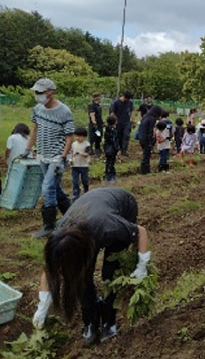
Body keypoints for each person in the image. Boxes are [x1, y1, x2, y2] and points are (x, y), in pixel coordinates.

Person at [31, 188, 151, 345]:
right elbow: (49, 270)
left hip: (121, 205)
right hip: (89, 212)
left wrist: (142, 266)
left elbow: (141, 232)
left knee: (111, 271)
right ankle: (90, 322)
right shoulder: (59, 239)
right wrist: (42, 306)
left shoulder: (109, 227)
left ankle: (109, 320)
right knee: (82, 279)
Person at [26, 78, 74, 239]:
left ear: (51, 92)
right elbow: (35, 128)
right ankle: (71, 216)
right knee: (55, 188)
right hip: (42, 154)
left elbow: (69, 136)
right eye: (36, 92)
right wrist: (28, 148)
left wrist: (62, 157)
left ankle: (49, 226)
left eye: (39, 92)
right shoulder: (38, 109)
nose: (37, 95)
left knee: (47, 188)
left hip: (57, 156)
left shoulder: (64, 111)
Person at [138, 105, 161, 175]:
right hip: (146, 139)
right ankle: (145, 170)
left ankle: (144, 169)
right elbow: (150, 131)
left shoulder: (145, 116)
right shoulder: (152, 119)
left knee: (145, 154)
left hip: (141, 137)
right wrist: (151, 142)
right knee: (146, 155)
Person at [109, 90, 134, 157]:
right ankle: (118, 149)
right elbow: (112, 112)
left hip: (126, 122)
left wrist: (131, 120)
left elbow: (131, 111)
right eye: (127, 99)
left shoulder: (130, 103)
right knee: (119, 136)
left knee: (126, 135)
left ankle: (124, 150)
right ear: (124, 97)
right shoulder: (116, 103)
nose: (128, 100)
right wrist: (114, 122)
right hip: (118, 122)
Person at [70, 128, 91, 200]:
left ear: (84, 137)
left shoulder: (87, 144)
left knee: (84, 180)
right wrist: (71, 160)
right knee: (75, 180)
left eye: (79, 136)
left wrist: (80, 153)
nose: (77, 138)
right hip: (75, 165)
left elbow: (87, 154)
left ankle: (86, 192)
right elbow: (71, 154)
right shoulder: (73, 144)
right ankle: (76, 194)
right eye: (76, 136)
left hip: (84, 165)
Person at [104, 115, 119, 183]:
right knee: (110, 162)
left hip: (107, 148)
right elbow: (114, 141)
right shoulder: (113, 131)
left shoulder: (107, 129)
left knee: (109, 162)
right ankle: (109, 177)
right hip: (111, 149)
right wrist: (117, 148)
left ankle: (111, 176)